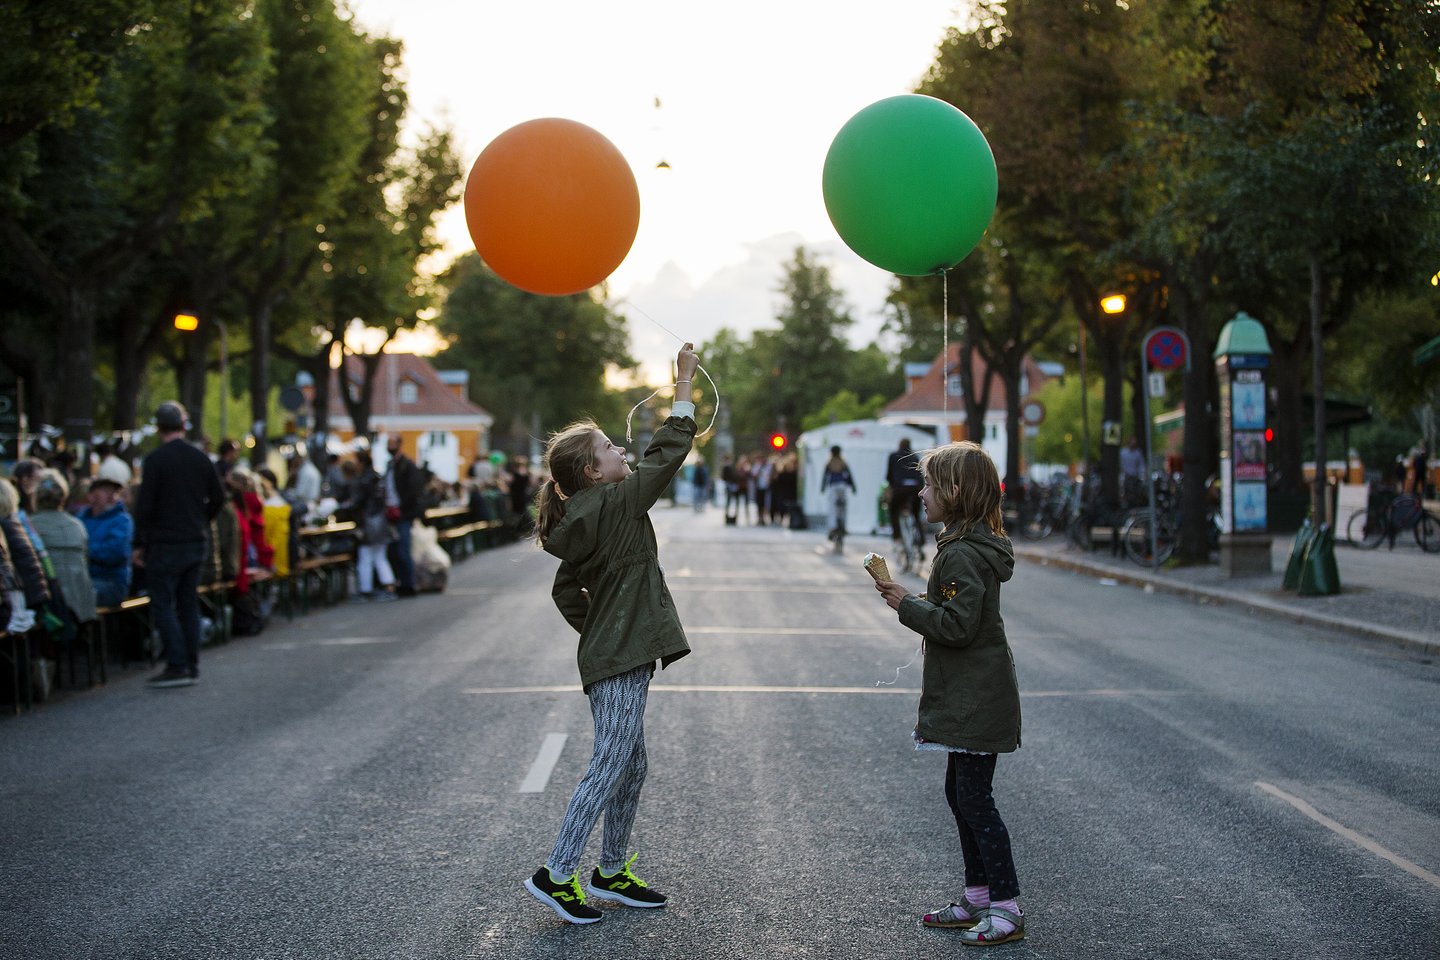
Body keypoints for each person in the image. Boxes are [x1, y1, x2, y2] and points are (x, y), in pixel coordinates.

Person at [523, 342, 699, 925]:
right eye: (608, 448)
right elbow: (668, 451)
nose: (620, 449)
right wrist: (682, 383)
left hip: (613, 652)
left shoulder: (585, 514)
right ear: (592, 473)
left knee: (631, 764)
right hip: (619, 657)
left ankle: (611, 871)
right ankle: (557, 872)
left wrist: (601, 627)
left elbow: (564, 592)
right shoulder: (619, 502)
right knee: (610, 762)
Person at [871, 440, 1025, 946]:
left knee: (975, 801)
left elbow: (958, 627)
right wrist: (915, 600)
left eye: (930, 485)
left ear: (955, 491)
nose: (921, 493)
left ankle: (1005, 908)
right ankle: (977, 897)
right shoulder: (963, 547)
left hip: (974, 696)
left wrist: (906, 604)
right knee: (961, 795)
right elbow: (962, 615)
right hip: (972, 692)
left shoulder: (960, 554)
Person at [132, 402, 225, 688]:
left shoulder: (155, 460)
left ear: (159, 428)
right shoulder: (200, 458)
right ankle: (191, 662)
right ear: (184, 425)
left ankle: (177, 662)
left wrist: (140, 542)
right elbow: (219, 497)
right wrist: (201, 519)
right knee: (188, 603)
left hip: (165, 541)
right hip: (193, 539)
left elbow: (145, 505)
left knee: (162, 603)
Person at [341, 450, 398, 603]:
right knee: (380, 557)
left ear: (361, 463)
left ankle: (366, 590)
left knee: (365, 557)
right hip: (381, 521)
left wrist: (340, 506)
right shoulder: (376, 477)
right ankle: (388, 587)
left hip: (369, 523)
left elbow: (356, 502)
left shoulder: (364, 480)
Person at [77, 461, 134, 608]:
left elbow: (114, 552)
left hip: (111, 583)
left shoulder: (122, 520)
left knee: (78, 593)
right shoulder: (80, 519)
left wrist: (85, 550)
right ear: (91, 496)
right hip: (84, 579)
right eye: (105, 490)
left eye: (114, 492)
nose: (111, 495)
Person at [384, 435, 422, 596]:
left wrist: (402, 508)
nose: (389, 447)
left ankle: (409, 583)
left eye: (392, 443)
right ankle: (402, 582)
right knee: (395, 550)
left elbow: (413, 490)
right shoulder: (391, 465)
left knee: (403, 550)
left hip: (403, 513)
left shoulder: (406, 465)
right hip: (392, 513)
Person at [887, 438, 924, 545]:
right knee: (916, 514)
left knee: (893, 511)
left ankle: (897, 537)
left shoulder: (893, 456)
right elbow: (920, 476)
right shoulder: (915, 457)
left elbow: (889, 475)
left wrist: (892, 486)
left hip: (900, 488)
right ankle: (921, 540)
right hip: (915, 489)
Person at [820, 445, 857, 550]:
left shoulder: (829, 463)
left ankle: (832, 527)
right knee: (843, 508)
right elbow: (849, 476)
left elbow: (825, 477)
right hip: (842, 487)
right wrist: (853, 487)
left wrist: (822, 488)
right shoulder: (843, 462)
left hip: (833, 487)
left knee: (832, 508)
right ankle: (843, 526)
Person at [1120, 435, 1146, 506]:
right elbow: (1121, 464)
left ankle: (1135, 504)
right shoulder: (1123, 453)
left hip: (1135, 476)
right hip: (1127, 476)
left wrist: (1142, 474)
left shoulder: (1138, 453)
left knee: (1136, 493)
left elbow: (1141, 465)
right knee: (1127, 492)